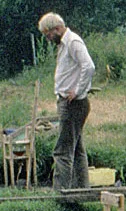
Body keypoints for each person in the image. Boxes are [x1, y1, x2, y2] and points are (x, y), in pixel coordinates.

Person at [37, 11, 94, 192]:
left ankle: (61, 192)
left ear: (57, 28)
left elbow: (89, 66)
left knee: (62, 150)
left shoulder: (73, 42)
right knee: (76, 149)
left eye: (48, 34)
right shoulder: (64, 44)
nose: (47, 38)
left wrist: (77, 91)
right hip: (68, 102)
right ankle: (82, 188)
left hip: (73, 104)